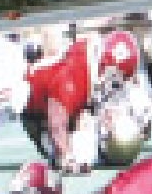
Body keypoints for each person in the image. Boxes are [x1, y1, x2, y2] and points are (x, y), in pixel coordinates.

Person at [20, 28, 143, 175]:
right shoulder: (74, 79)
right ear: (106, 68)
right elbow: (56, 122)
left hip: (57, 101)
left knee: (93, 122)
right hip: (37, 114)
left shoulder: (92, 59)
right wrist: (66, 156)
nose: (116, 88)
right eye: (116, 82)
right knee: (79, 151)